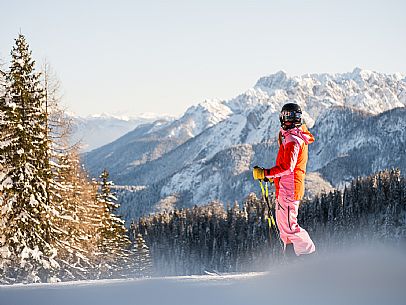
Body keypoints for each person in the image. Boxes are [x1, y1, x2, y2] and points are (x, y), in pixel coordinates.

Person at [253, 102, 316, 257]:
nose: (287, 121)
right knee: (284, 227)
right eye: (285, 117)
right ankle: (291, 258)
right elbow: (284, 167)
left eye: (291, 117)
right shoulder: (288, 137)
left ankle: (309, 257)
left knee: (290, 226)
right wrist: (272, 176)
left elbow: (288, 167)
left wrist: (266, 173)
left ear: (298, 119)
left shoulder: (294, 140)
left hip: (290, 189)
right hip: (285, 188)